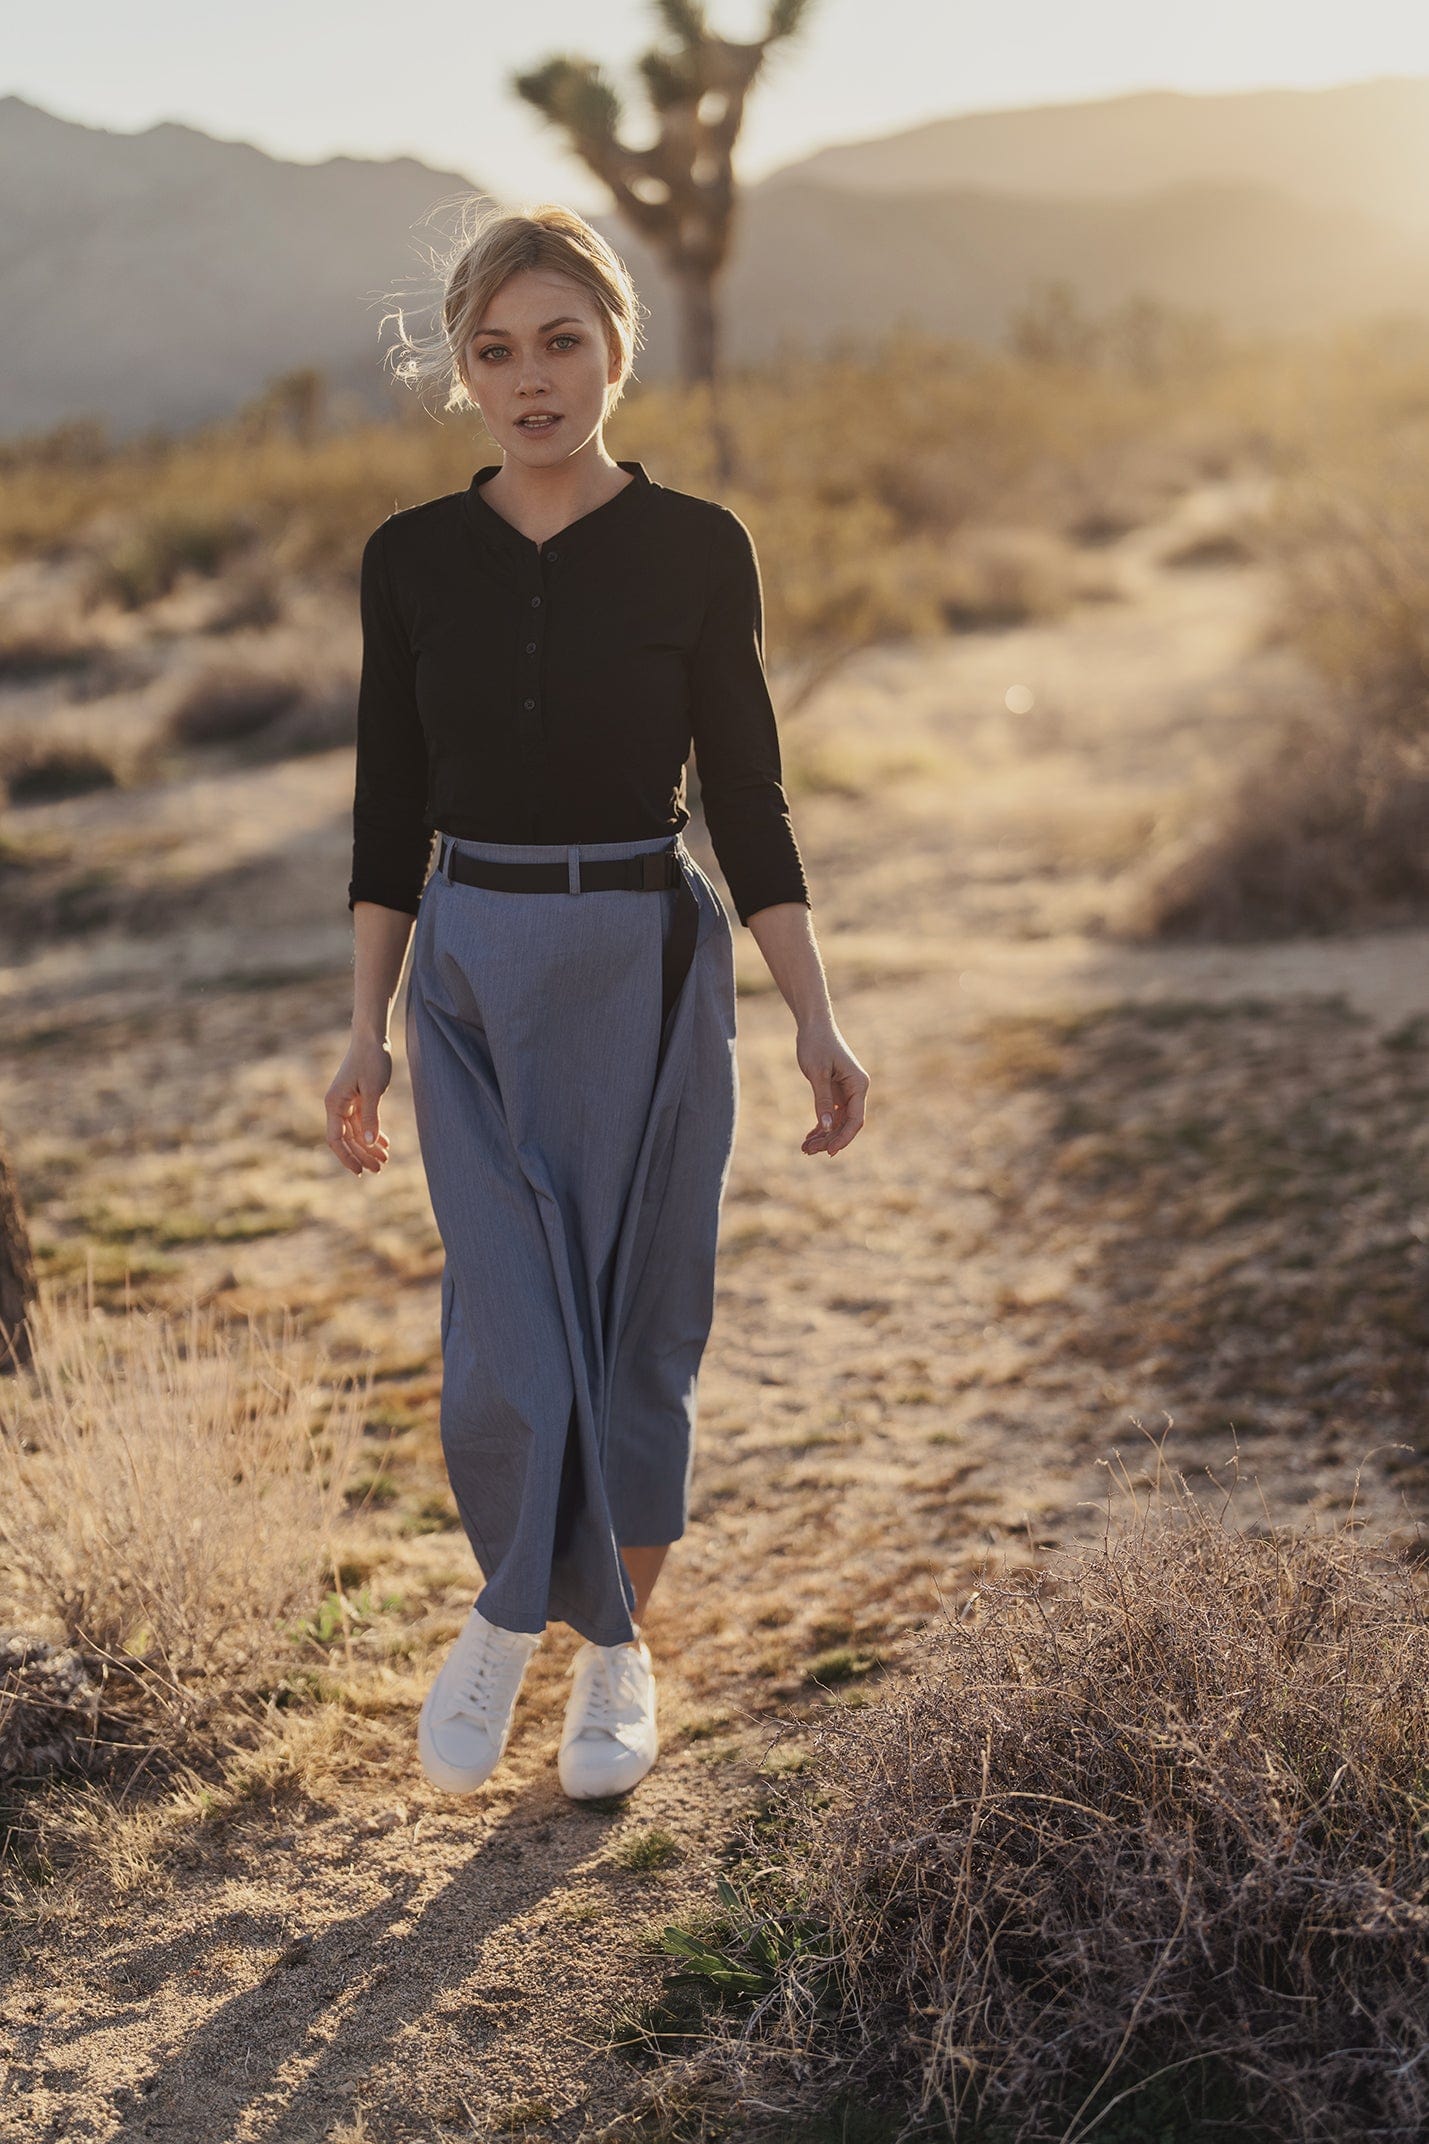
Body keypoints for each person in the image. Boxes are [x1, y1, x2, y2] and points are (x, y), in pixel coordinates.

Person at [323, 201, 869, 1803]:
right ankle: (506, 1613)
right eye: (494, 351)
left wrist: (813, 1014)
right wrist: (364, 1026)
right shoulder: (412, 559)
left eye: (561, 341)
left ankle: (617, 1658)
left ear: (616, 345)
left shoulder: (700, 548)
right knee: (504, 1340)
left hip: (646, 958)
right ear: (463, 372)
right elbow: (384, 815)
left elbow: (749, 802)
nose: (530, 379)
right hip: (473, 971)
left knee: (639, 1332)